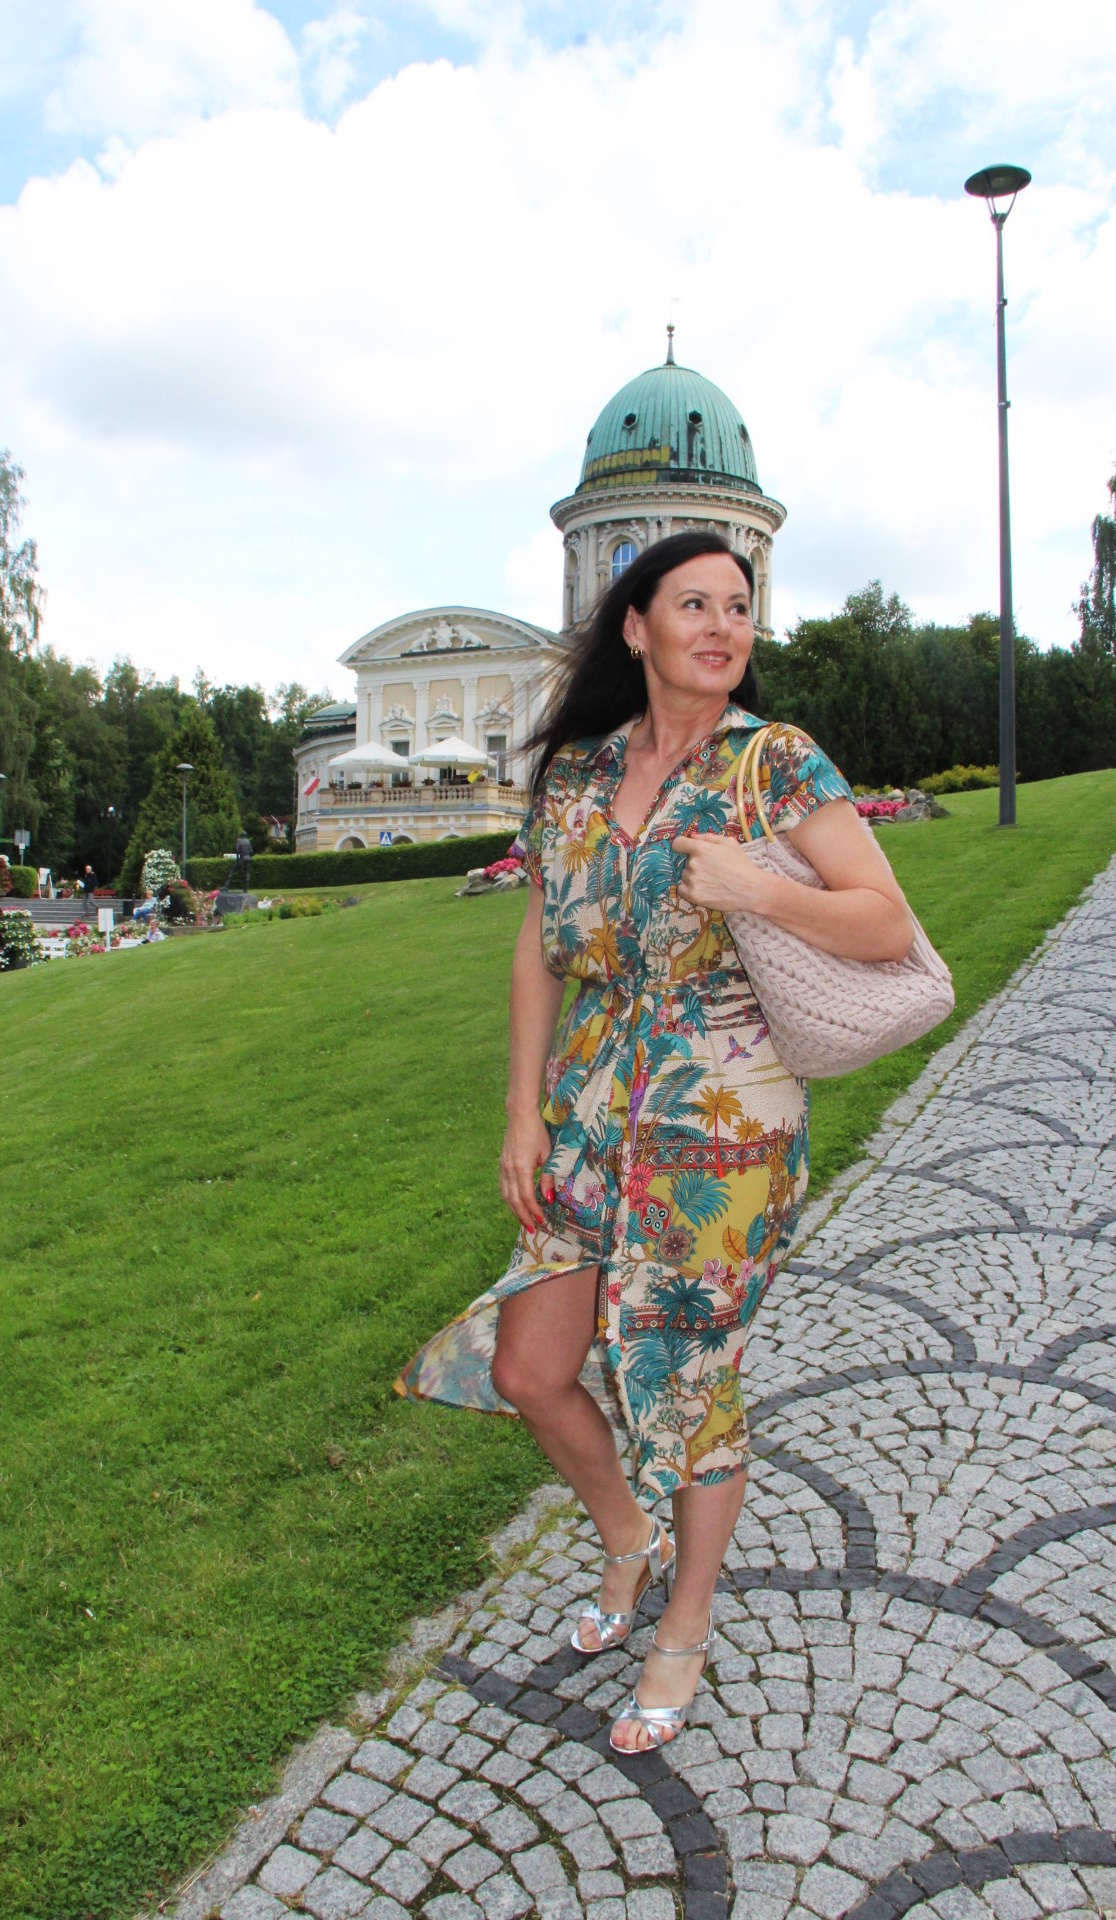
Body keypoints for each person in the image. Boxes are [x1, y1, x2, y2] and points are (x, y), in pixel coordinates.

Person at [397, 530, 914, 1753]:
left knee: (684, 1377)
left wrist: (760, 889)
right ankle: (626, 1535)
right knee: (531, 1367)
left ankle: (682, 1622)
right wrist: (520, 1112)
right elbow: (537, 947)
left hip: (723, 1120)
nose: (722, 626)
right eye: (694, 604)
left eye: (738, 605)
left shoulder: (772, 763)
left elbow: (887, 925)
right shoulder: (576, 771)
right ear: (635, 626)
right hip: (588, 1105)